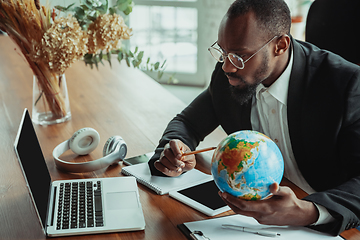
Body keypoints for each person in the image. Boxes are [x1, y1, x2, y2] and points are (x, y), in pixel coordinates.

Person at [148, 0, 360, 236]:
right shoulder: (231, 73)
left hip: (335, 224)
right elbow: (187, 123)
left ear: (280, 45)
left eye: (240, 56)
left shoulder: (347, 85)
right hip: (252, 221)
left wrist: (307, 211)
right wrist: (175, 150)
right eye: (223, 52)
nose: (227, 66)